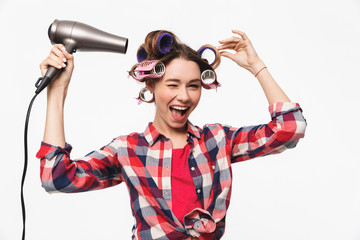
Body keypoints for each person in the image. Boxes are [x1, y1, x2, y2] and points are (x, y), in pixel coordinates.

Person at [36, 29, 307, 240]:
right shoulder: (128, 150)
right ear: (151, 86)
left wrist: (257, 66)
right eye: (173, 85)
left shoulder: (217, 141)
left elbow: (290, 128)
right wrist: (57, 91)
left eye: (193, 85)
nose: (184, 96)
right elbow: (55, 177)